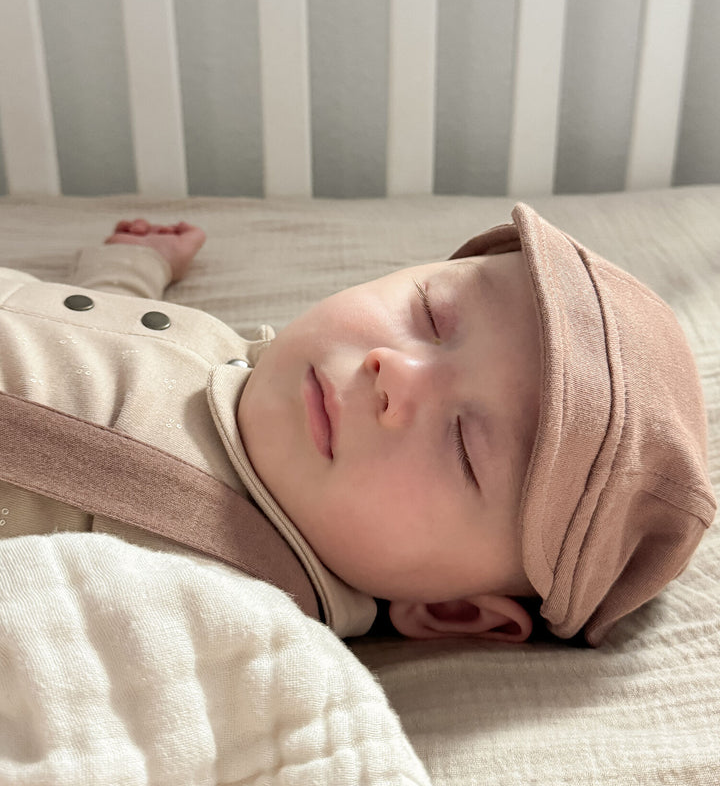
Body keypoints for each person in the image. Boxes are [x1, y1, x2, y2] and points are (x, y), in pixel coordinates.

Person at [0, 205, 715, 646]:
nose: (394, 372)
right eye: (432, 315)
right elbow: (95, 337)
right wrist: (133, 266)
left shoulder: (224, 604)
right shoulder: (240, 361)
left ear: (457, 613)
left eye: (464, 445)